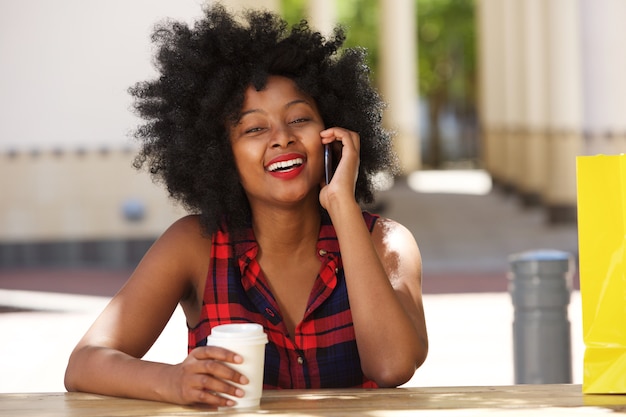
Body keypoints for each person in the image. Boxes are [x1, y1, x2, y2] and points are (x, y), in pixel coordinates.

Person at [64, 3, 428, 407]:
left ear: (332, 132)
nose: (282, 138)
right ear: (220, 154)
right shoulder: (194, 245)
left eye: (300, 119)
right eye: (254, 128)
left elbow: (392, 366)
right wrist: (173, 382)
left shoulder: (387, 242)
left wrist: (341, 203)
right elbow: (84, 363)